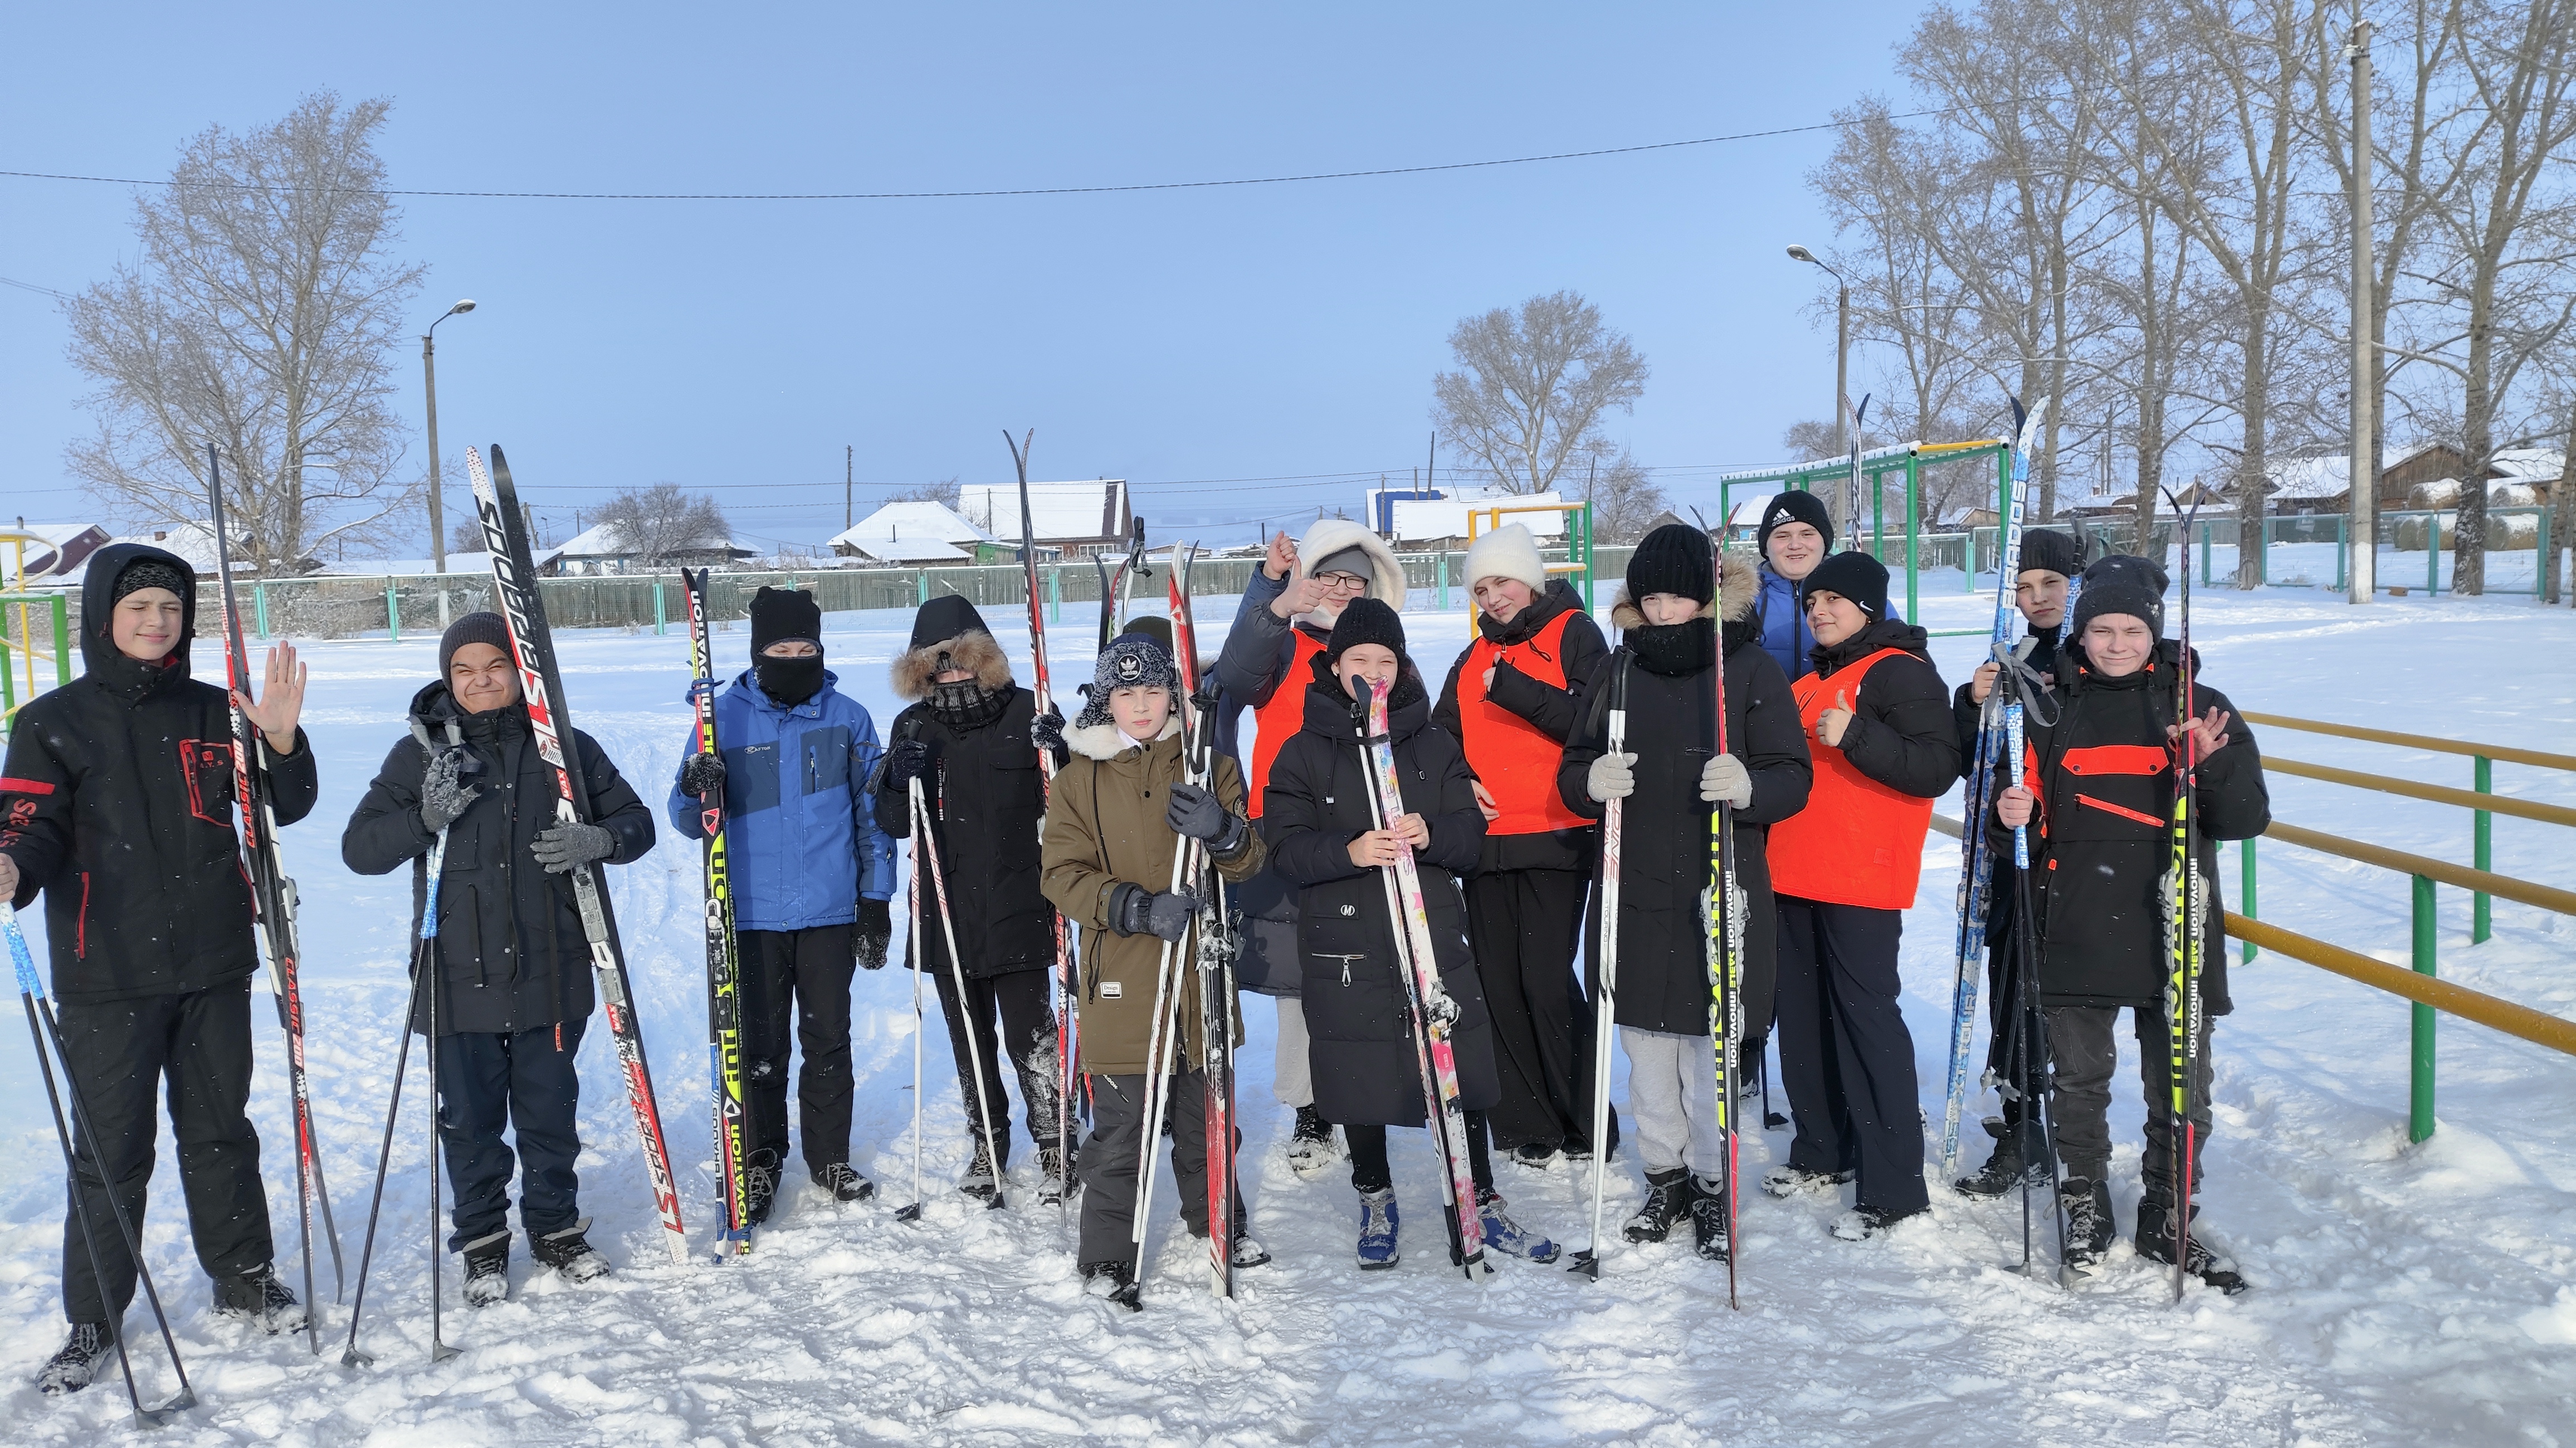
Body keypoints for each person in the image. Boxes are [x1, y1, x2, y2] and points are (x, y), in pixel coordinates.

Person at [4, 546, 314, 1392]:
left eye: (171, 610)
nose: (156, 622)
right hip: (103, 970)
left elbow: (287, 803)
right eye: (139, 607)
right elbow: (28, 823)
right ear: (104, 616)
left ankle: (243, 1279)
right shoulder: (51, 720)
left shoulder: (221, 710)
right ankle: (94, 1315)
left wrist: (280, 738)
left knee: (220, 1130)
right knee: (112, 1149)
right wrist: (12, 864)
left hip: (215, 961)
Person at [343, 612, 655, 1305]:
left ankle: (556, 1228)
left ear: (519, 671)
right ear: (448, 678)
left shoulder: (563, 747)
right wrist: (423, 818)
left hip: (552, 967)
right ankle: (482, 1243)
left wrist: (599, 840)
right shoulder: (421, 755)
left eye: (495, 665)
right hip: (456, 975)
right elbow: (360, 849)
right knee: (472, 1120)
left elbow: (639, 823)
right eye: (465, 669)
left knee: (549, 1111)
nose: (481, 679)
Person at [1260, 598, 1558, 1269]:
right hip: (1348, 935)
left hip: (1429, 931)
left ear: (1402, 665)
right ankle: (1375, 1194)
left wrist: (1434, 833)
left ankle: (1478, 1194)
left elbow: (1470, 833)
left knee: (1459, 1066)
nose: (1372, 673)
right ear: (1334, 667)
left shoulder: (1427, 739)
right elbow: (1283, 846)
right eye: (1358, 660)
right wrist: (1350, 850)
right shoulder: (1303, 750)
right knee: (1358, 1063)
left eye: (1385, 661)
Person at [1993, 555, 2266, 1289]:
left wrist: (2208, 766)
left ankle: (2169, 1213)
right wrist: (2007, 815)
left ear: (2156, 634)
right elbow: (2011, 830)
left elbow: (2245, 819)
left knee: (2180, 1085)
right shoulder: (2046, 709)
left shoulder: (2199, 705)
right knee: (2079, 1080)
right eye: (2102, 630)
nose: (2117, 644)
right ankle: (2083, 1201)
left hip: (2172, 920)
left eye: (2132, 630)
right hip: (2074, 919)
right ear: (2079, 636)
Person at [1559, 526, 1811, 1261]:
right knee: (1646, 1057)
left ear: (1705, 597)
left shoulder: (1749, 668)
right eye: (1652, 599)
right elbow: (1575, 764)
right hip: (1633, 889)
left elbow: (1793, 775)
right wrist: (1589, 783)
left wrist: (1751, 787)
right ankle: (1663, 1177)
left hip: (1718, 888)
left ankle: (1708, 1183)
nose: (1665, 612)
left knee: (1710, 1055)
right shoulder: (1619, 670)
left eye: (1676, 597)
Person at [1038, 632, 1270, 1305]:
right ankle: (1109, 1254)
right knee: (1122, 1129)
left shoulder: (1209, 764)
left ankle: (1218, 1219)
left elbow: (1250, 861)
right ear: (1104, 699)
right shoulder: (1080, 777)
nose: (1140, 705)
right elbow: (1061, 874)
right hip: (1123, 979)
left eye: (1152, 689)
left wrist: (1223, 830)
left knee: (1209, 1117)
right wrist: (1135, 909)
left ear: (1173, 692)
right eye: (1125, 691)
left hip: (1202, 970)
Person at [665, 586, 895, 1220]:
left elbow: (872, 817)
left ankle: (829, 1157)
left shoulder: (848, 717)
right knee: (759, 1044)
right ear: (757, 652)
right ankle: (761, 1158)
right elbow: (689, 820)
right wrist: (693, 787)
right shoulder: (721, 719)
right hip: (751, 911)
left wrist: (875, 899)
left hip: (830, 910)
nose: (794, 657)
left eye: (806, 648)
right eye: (780, 648)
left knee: (829, 1038)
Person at [1760, 550, 1961, 1240]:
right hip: (1792, 872)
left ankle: (1895, 1186)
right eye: (1811, 600)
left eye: (1833, 600)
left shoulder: (1897, 671)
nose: (1818, 609)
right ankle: (1823, 1149)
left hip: (1858, 877)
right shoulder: (1813, 678)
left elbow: (1937, 766)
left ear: (1869, 608)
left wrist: (1857, 735)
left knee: (1865, 1022)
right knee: (1804, 1019)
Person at [1215, 520, 1406, 1179]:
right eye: (1330, 576)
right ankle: (1309, 1109)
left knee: (1357, 970)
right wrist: (1271, 595)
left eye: (1355, 580)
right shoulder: (1284, 644)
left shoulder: (1380, 655)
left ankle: (1360, 1097)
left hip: (1363, 829)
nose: (1341, 590)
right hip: (1286, 828)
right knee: (1299, 979)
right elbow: (1234, 675)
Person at [872, 595, 1069, 1202]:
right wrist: (895, 777)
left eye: (962, 662)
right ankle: (988, 1142)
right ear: (921, 672)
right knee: (969, 1037)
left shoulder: (1027, 712)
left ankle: (1056, 1139)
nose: (951, 674)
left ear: (985, 661)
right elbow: (891, 820)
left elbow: (1070, 799)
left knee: (1031, 1033)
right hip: (946, 907)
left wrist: (1057, 749)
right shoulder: (913, 727)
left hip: (1018, 899)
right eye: (938, 666)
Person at [1430, 523, 1613, 1170]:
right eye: (1480, 588)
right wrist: (1462, 784)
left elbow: (1591, 722)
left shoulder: (1574, 633)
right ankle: (1524, 1120)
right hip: (1487, 843)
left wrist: (1513, 688)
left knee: (1543, 980)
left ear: (1530, 579)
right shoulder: (1472, 655)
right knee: (1496, 984)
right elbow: (1439, 742)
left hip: (1554, 832)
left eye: (1501, 581)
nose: (1493, 597)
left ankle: (1585, 1117)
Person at [1949, 526, 2084, 1197]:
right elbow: (1968, 757)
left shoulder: (2105, 651)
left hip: (2083, 859)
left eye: (2050, 585)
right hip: (2013, 853)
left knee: (2072, 1004)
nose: (2037, 599)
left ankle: (2079, 1131)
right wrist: (1972, 703)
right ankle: (2022, 1121)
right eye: (2024, 588)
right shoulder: (2015, 652)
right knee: (2013, 988)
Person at [1746, 491, 1836, 684]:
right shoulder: (1741, 600)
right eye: (1783, 536)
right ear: (1766, 548)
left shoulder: (1857, 593)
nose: (1795, 545)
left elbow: (1899, 662)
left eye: (1807, 534)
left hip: (1837, 711)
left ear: (1824, 543)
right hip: (1763, 713)